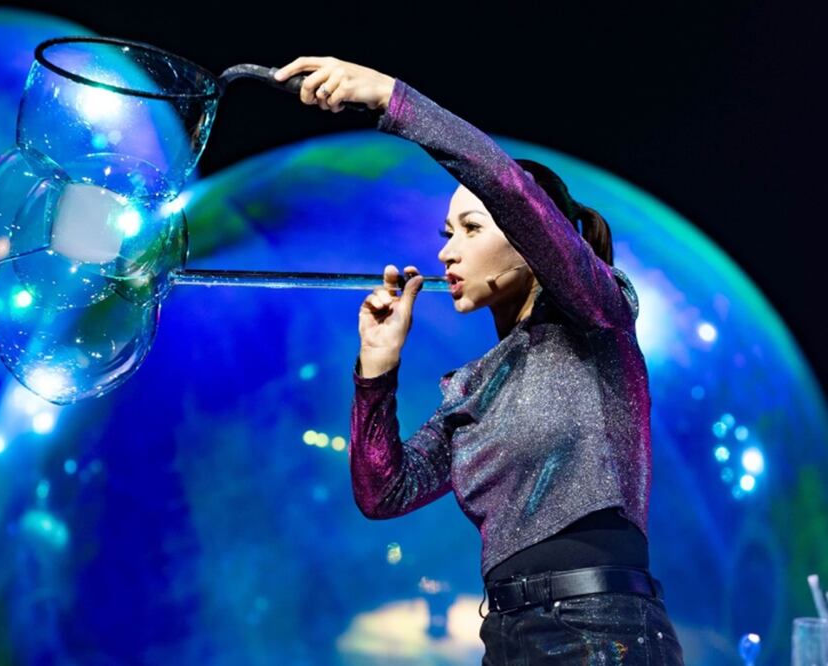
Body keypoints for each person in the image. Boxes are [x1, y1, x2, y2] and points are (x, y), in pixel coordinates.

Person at [273, 57, 686, 664]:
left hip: (603, 632)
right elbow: (383, 492)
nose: (446, 251)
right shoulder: (475, 386)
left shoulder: (599, 318)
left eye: (469, 227)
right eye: (446, 233)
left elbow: (510, 189)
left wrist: (392, 98)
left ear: (529, 242)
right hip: (506, 637)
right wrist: (377, 369)